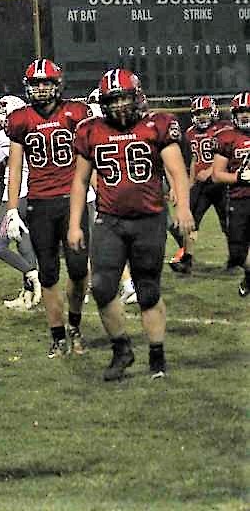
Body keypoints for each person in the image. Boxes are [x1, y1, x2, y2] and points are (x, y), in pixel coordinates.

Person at [69, 68, 194, 380]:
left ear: (137, 97)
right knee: (101, 287)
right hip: (109, 220)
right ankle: (121, 349)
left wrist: (184, 208)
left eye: (125, 98)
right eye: (114, 100)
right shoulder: (90, 130)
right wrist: (74, 224)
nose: (120, 105)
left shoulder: (158, 124)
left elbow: (176, 171)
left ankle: (157, 354)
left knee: (148, 289)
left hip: (149, 218)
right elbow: (80, 181)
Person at [5, 59, 90, 358]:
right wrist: (12, 208)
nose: (41, 88)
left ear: (57, 85)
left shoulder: (76, 113)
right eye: (36, 83)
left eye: (47, 82)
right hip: (40, 202)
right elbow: (15, 168)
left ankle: (75, 324)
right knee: (49, 273)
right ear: (29, 87)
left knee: (79, 270)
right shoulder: (20, 119)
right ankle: (57, 335)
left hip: (72, 200)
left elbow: (89, 156)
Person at [0, 95, 41, 309]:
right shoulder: (35, 130)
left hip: (15, 197)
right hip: (33, 194)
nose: (3, 124)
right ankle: (28, 294)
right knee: (24, 244)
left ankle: (32, 276)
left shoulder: (8, 138)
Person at [169, 96, 231, 274]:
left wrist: (212, 171)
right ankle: (187, 259)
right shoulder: (189, 133)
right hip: (200, 186)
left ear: (212, 112)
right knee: (189, 221)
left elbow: (229, 156)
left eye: (205, 112)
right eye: (198, 113)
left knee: (228, 224)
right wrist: (187, 184)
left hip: (220, 183)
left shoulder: (223, 130)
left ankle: (236, 257)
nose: (202, 116)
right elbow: (192, 161)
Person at [211, 92, 250, 296]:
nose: (244, 115)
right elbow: (217, 175)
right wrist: (241, 177)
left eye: (248, 111)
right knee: (237, 254)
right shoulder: (227, 137)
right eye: (240, 111)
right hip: (238, 200)